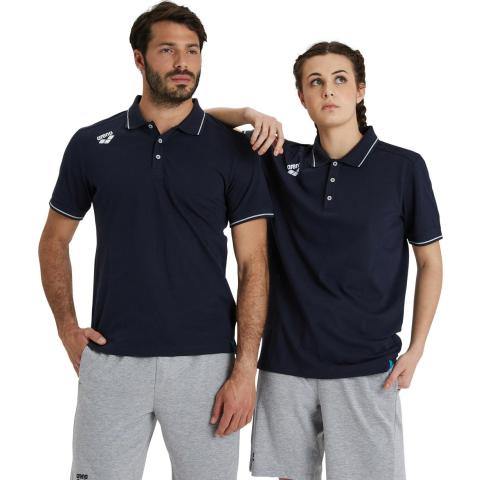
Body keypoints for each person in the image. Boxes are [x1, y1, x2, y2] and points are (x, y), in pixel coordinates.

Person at [38, 2, 274, 479]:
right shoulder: (91, 144)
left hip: (207, 364)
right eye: (167, 50)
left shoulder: (234, 150)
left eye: (192, 50)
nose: (183, 62)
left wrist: (245, 368)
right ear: (139, 58)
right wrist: (67, 328)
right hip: (112, 359)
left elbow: (254, 263)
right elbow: (53, 241)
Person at [207, 41, 443, 480]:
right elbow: (199, 124)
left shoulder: (403, 168)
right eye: (315, 82)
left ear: (360, 89)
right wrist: (248, 114)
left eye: (339, 79)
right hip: (285, 365)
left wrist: (417, 348)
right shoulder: (280, 160)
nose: (328, 90)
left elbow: (429, 262)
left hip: (366, 368)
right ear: (302, 96)